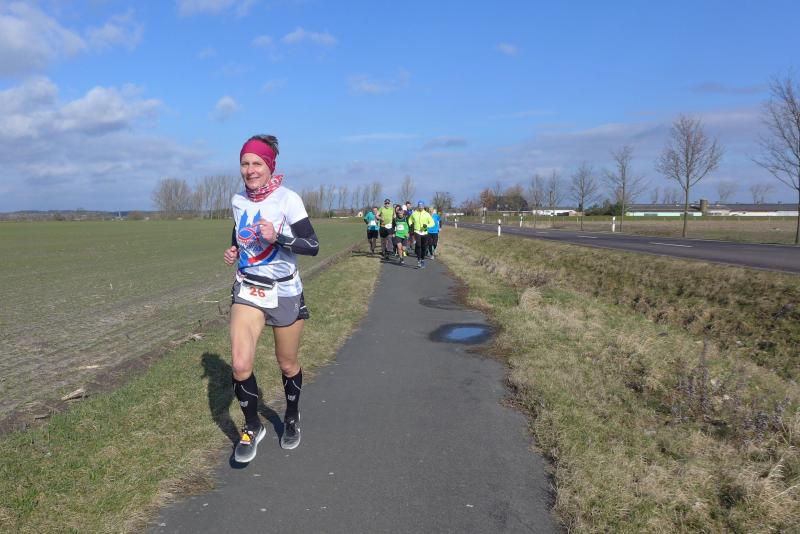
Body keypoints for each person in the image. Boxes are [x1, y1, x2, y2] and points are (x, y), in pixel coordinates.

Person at [223, 134, 319, 463]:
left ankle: (291, 416)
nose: (250, 170)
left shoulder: (288, 199)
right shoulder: (238, 200)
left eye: (257, 163)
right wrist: (234, 249)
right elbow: (239, 229)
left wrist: (277, 237)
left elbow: (312, 245)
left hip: (284, 291)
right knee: (240, 364)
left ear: (270, 166)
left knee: (287, 362)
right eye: (244, 163)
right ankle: (252, 426)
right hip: (248, 287)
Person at [408, 200, 434, 268]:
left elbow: (432, 223)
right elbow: (410, 220)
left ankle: (422, 259)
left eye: (422, 206)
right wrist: (411, 224)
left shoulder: (427, 214)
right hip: (417, 231)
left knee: (424, 247)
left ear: (423, 206)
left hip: (424, 232)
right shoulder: (414, 213)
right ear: (418, 206)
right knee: (418, 245)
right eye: (419, 206)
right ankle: (419, 260)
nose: (420, 207)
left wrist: (426, 226)